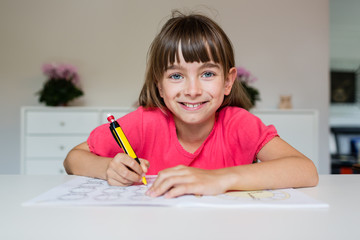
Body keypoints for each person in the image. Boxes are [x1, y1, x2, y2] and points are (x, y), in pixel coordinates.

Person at [64, 11, 318, 199]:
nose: (193, 91)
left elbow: (306, 170)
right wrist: (108, 168)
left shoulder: (239, 124)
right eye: (176, 76)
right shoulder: (145, 122)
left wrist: (220, 178)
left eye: (207, 74)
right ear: (159, 86)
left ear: (228, 81)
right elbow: (73, 159)